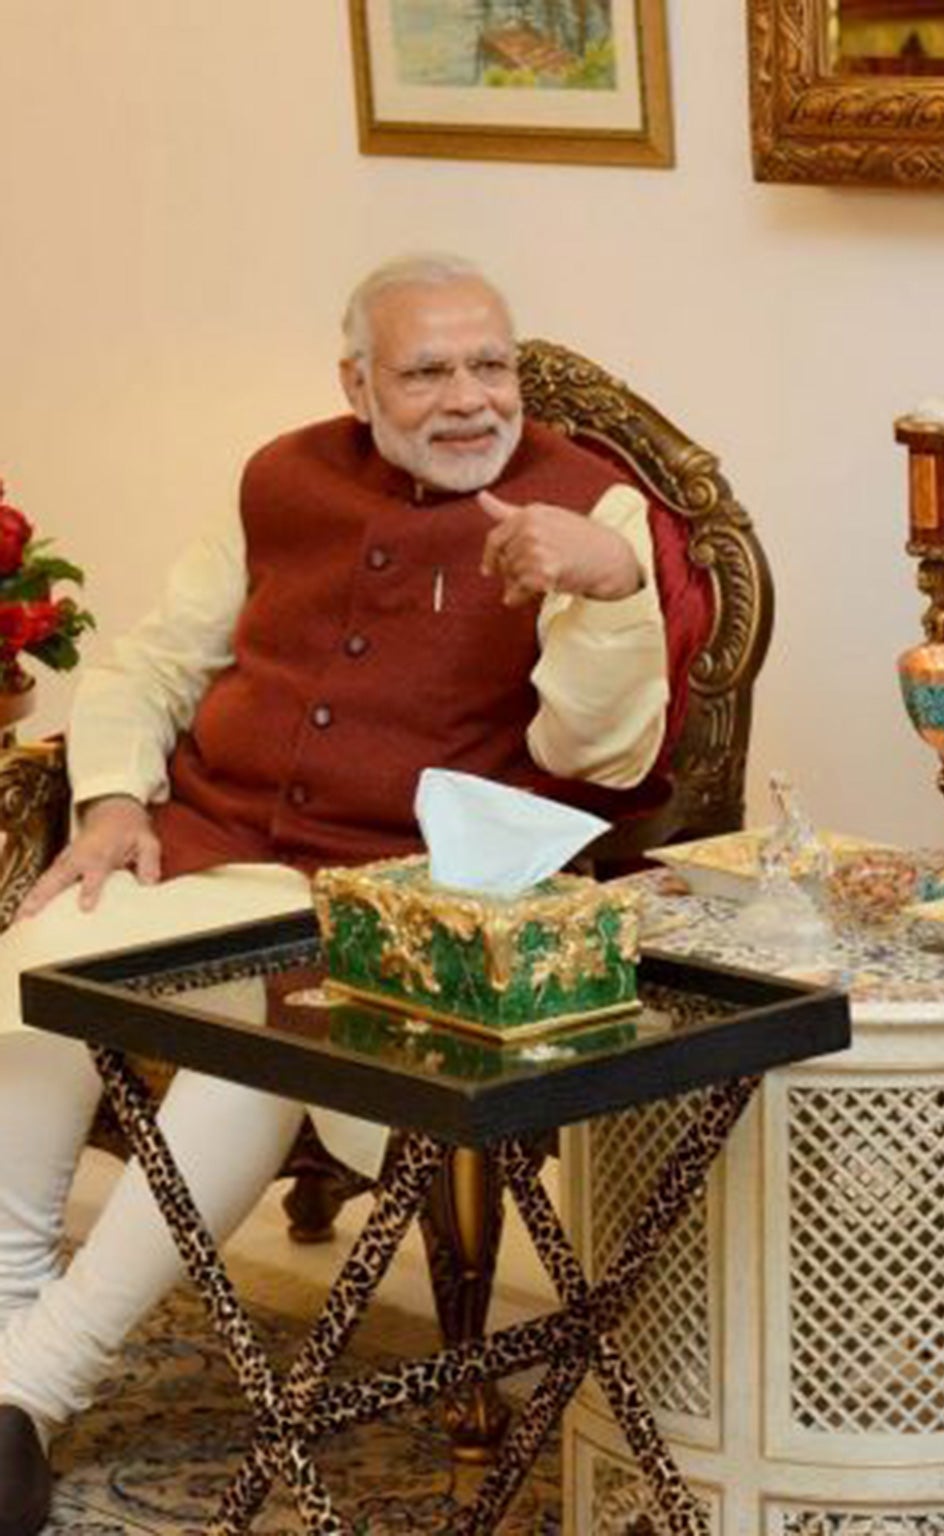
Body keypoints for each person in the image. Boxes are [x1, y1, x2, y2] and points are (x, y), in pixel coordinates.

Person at [0, 253, 673, 1536]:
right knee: (43, 961)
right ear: (357, 385)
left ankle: (37, 1384)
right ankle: (4, 1338)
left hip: (387, 905)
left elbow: (601, 756)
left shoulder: (594, 512)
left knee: (252, 1060)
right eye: (428, 371)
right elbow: (156, 660)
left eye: (492, 365)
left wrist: (604, 587)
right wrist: (114, 802)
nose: (470, 398)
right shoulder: (279, 477)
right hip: (208, 847)